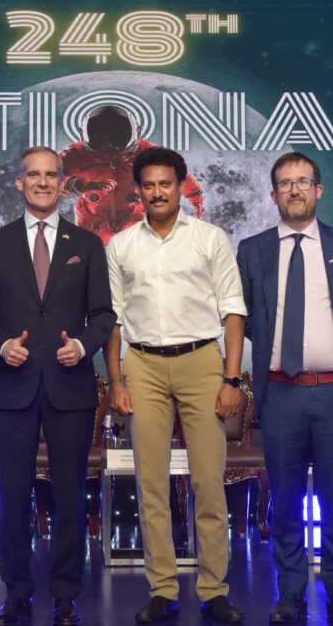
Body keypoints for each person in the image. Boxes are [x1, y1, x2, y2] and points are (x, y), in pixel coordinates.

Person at [0, 146, 116, 626]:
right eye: (33, 175)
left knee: (70, 497)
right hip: (11, 387)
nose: (42, 182)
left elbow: (103, 315)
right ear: (19, 182)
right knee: (13, 497)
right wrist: (1, 345)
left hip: (69, 386)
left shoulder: (87, 244)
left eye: (51, 175)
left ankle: (66, 595)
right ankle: (16, 594)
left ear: (62, 182)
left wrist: (84, 346)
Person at [103, 146, 246, 624]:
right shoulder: (121, 245)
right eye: (148, 185)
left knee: (208, 481)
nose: (157, 192)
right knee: (151, 483)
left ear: (181, 186)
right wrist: (116, 380)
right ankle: (162, 590)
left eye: (166, 184)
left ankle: (214, 590)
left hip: (202, 361)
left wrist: (230, 379)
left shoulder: (209, 238)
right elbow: (112, 321)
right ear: (138, 191)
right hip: (142, 365)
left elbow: (233, 311)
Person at [236, 152, 333, 624]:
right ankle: (290, 592)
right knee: (287, 501)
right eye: (285, 183)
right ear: (273, 194)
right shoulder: (252, 249)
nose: (294, 189)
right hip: (280, 393)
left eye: (303, 181)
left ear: (318, 190)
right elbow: (245, 317)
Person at [60, 105, 204, 245]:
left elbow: (177, 173)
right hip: (92, 219)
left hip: (134, 215)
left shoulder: (149, 154)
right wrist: (77, 184)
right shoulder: (77, 154)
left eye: (118, 137)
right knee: (84, 248)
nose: (110, 146)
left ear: (137, 133)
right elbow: (52, 179)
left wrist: (196, 199)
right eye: (100, 138)